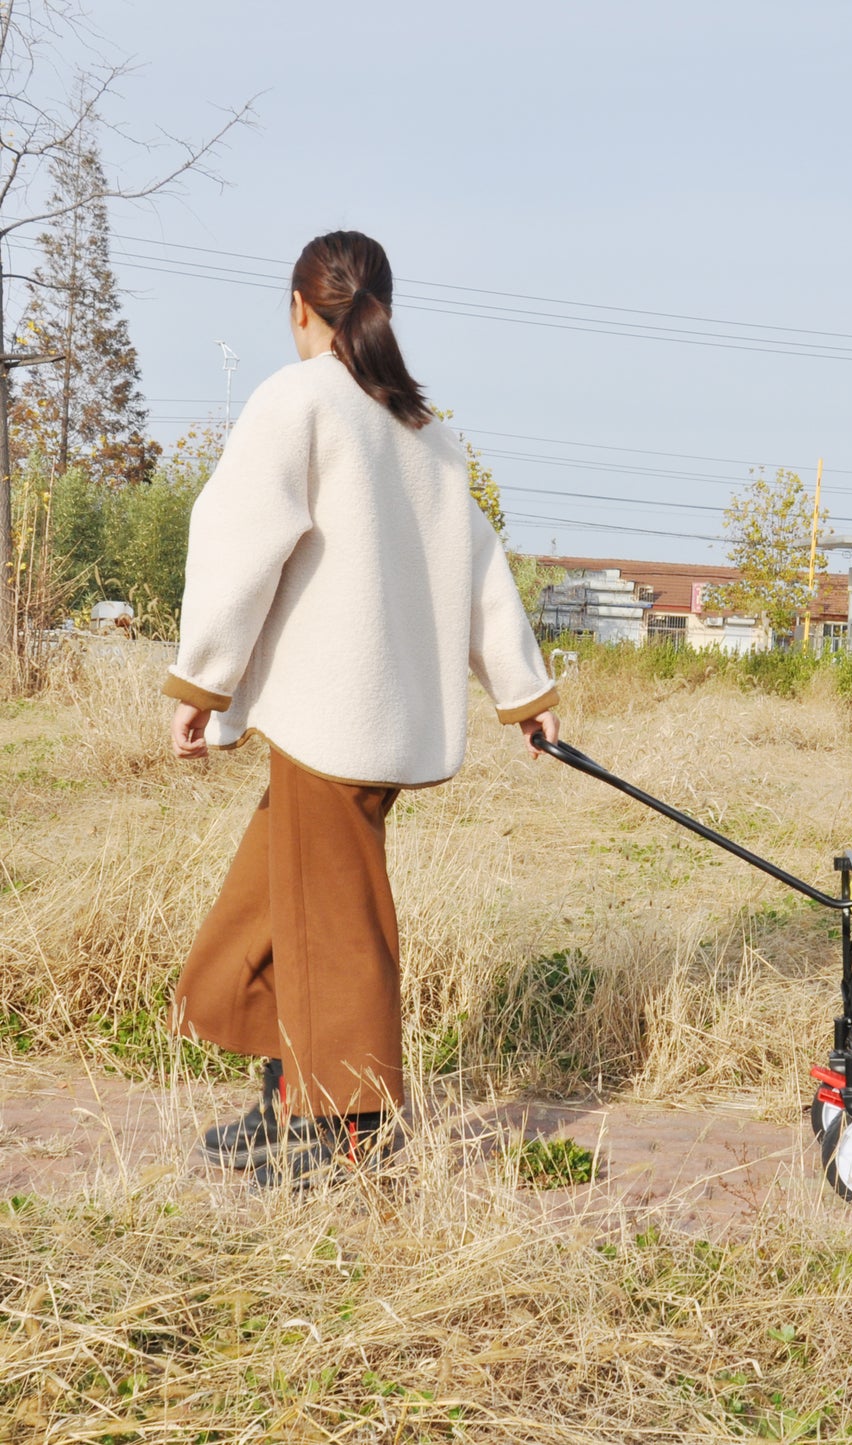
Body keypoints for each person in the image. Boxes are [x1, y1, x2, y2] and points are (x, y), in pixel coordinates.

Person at [164, 230, 560, 1188]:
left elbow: (233, 543)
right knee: (263, 917)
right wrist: (523, 696)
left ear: (300, 308)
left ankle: (346, 1132)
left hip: (324, 718)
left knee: (334, 924)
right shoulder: (424, 430)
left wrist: (200, 683)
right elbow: (483, 576)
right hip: (387, 724)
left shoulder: (296, 399)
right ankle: (285, 1097)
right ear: (381, 306)